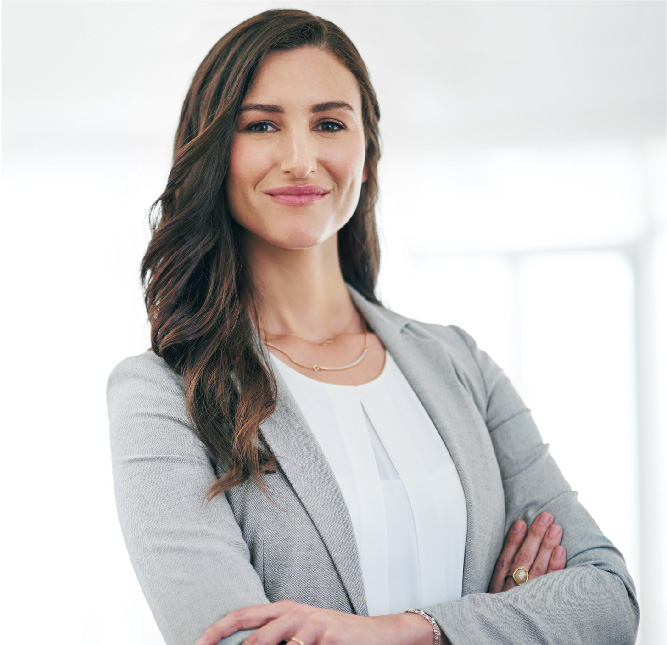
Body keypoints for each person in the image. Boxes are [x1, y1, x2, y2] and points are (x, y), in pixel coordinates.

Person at [107, 9, 639, 645]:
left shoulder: (458, 363)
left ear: (365, 155)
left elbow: (607, 599)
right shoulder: (161, 395)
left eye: (329, 123)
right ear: (215, 152)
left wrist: (408, 631)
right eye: (262, 125)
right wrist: (505, 625)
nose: (300, 159)